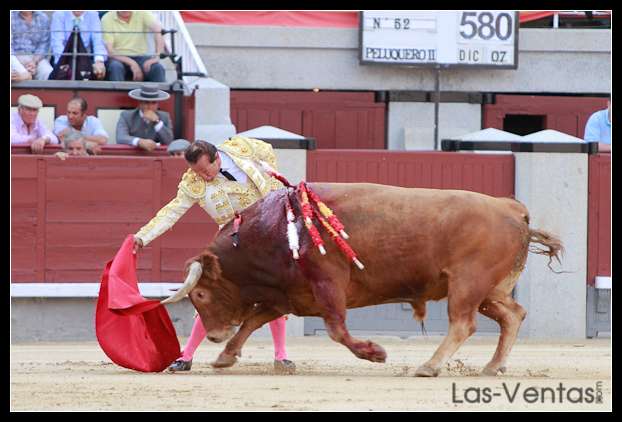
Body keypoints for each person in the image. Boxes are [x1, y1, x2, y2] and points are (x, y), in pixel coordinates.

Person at [132, 137, 296, 374]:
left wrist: (272, 183)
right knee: (210, 295)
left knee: (273, 294)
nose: (201, 176)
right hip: (231, 243)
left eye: (204, 170)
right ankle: (186, 356)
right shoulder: (193, 183)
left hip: (266, 238)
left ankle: (281, 356)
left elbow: (268, 153)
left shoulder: (243, 149)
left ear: (217, 158)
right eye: (195, 171)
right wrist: (143, 236)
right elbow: (171, 211)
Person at [101, 11, 166, 82]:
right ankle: (116, 93)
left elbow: (159, 31)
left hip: (141, 57)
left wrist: (157, 56)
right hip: (118, 57)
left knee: (157, 68)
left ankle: (160, 93)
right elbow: (110, 51)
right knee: (115, 67)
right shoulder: (107, 18)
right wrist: (132, 63)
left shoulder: (142, 13)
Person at [49, 11, 107, 80]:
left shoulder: (93, 14)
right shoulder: (58, 14)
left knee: (99, 71)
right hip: (63, 58)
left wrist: (99, 61)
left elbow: (98, 40)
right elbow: (57, 44)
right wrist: (66, 62)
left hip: (85, 57)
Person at [116, 84, 174, 150]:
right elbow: (120, 137)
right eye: (146, 102)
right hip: (132, 155)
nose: (150, 106)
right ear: (140, 103)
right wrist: (139, 141)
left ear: (158, 104)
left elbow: (169, 141)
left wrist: (157, 122)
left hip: (155, 156)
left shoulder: (164, 116)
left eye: (154, 103)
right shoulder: (126, 116)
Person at [11, 11, 54, 80]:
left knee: (47, 72)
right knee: (18, 74)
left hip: (36, 58)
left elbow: (44, 44)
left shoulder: (43, 17)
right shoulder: (11, 16)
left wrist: (34, 62)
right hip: (16, 57)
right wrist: (19, 61)